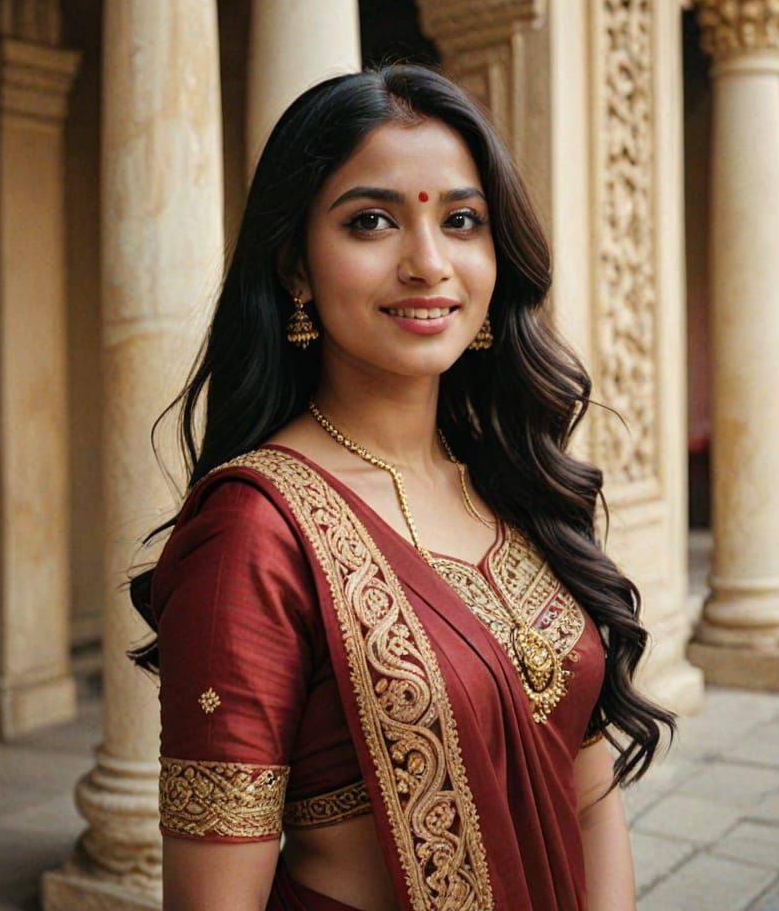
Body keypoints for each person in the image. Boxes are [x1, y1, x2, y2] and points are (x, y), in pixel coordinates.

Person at [129, 63, 676, 911]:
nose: (428, 263)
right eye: (372, 221)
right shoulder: (254, 533)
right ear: (296, 266)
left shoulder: (511, 480)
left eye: (461, 220)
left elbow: (591, 800)